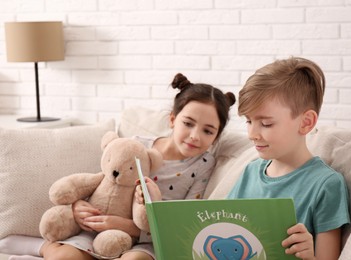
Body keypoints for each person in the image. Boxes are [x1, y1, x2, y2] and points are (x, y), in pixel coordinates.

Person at [38, 73, 236, 260]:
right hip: (101, 226)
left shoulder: (203, 165)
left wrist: (132, 225)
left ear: (216, 136)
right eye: (188, 123)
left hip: (147, 239)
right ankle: (45, 246)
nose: (195, 135)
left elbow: (187, 219)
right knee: (64, 257)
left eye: (208, 131)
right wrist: (79, 205)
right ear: (173, 119)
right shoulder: (137, 145)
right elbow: (104, 180)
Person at [227, 57, 350, 260]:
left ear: (306, 122)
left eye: (266, 123)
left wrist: (309, 255)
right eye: (249, 121)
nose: (252, 133)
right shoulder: (250, 172)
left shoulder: (326, 185)